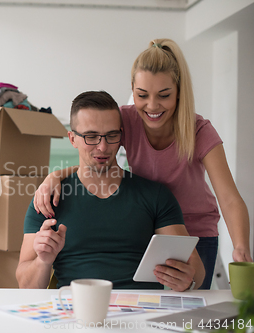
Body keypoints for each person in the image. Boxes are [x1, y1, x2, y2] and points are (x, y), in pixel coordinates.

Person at [33, 39, 252, 289]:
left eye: (164, 95)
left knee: (191, 310)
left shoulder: (199, 131)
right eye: (142, 95)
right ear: (132, 90)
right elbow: (97, 157)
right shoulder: (127, 120)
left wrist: (241, 246)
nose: (152, 105)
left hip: (194, 232)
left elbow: (230, 198)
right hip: (151, 224)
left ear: (179, 92)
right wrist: (55, 176)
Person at [16, 91, 205, 291]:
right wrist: (43, 262)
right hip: (76, 312)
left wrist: (188, 279)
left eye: (111, 135)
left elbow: (196, 269)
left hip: (141, 313)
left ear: (121, 135)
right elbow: (25, 286)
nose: (103, 146)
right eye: (91, 136)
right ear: (72, 139)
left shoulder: (155, 196)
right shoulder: (48, 199)